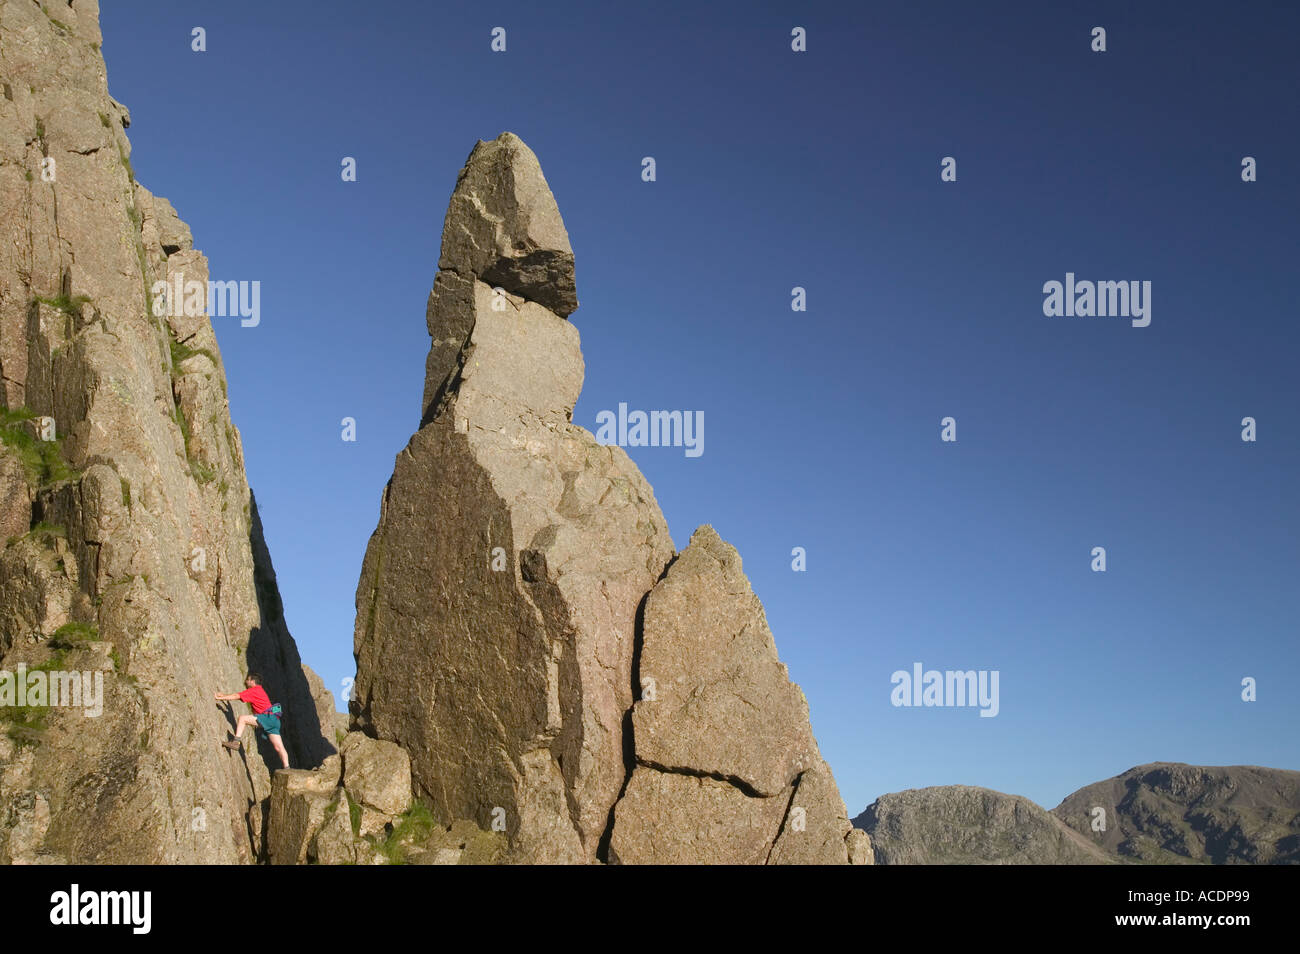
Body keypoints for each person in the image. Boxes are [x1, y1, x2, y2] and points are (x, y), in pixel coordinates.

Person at [215, 673, 289, 769]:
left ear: (252, 682)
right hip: (275, 721)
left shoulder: (254, 690)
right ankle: (287, 767)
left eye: (248, 680)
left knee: (242, 719)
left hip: (267, 718)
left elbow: (236, 696)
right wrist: (224, 695)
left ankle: (235, 742)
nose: (246, 681)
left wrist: (220, 698)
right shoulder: (261, 691)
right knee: (279, 747)